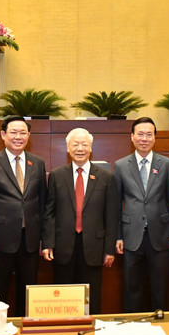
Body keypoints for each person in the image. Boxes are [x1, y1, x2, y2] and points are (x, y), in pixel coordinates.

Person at [42, 128, 119, 314]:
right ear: (68, 148)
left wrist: (109, 249)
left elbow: (111, 215)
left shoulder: (106, 177)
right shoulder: (56, 175)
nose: (80, 148)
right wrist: (48, 243)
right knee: (63, 297)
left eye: (84, 144)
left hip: (93, 246)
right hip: (63, 246)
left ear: (91, 148)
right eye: (75, 144)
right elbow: (49, 213)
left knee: (91, 297)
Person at [0, 115, 47, 316]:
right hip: (0, 241)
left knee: (28, 293)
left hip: (30, 241)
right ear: (3, 135)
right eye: (13, 132)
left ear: (29, 135)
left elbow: (42, 203)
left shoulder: (38, 163)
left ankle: (25, 331)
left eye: (23, 133)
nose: (18, 137)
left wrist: (44, 238)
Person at [114, 117, 169, 313]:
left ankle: (158, 328)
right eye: (140, 134)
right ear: (132, 137)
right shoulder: (120, 165)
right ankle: (132, 327)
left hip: (160, 235)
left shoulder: (166, 164)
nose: (144, 138)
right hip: (130, 235)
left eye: (149, 134)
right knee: (132, 287)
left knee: (159, 287)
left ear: (155, 138)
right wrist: (118, 235)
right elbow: (116, 205)